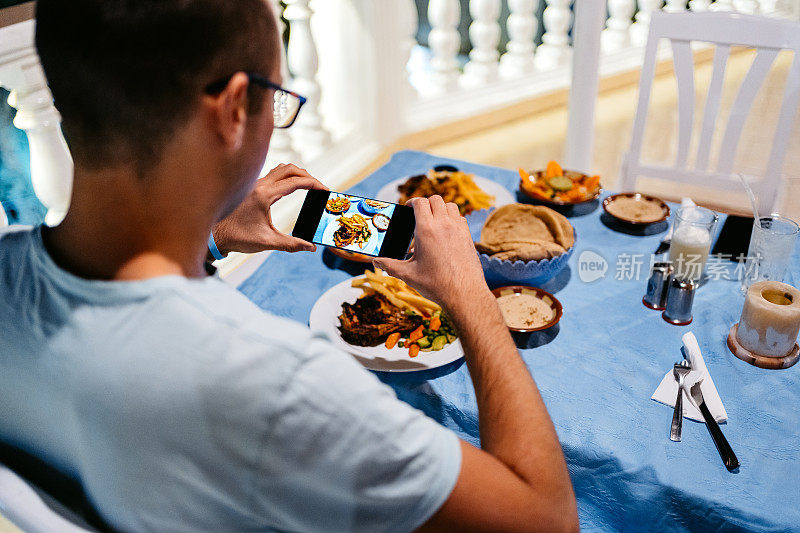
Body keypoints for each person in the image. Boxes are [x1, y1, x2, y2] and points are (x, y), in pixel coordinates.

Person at [0, 0, 578, 531]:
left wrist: (212, 236)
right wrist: (470, 293)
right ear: (231, 110)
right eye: (277, 100)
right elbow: (546, 519)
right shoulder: (276, 383)